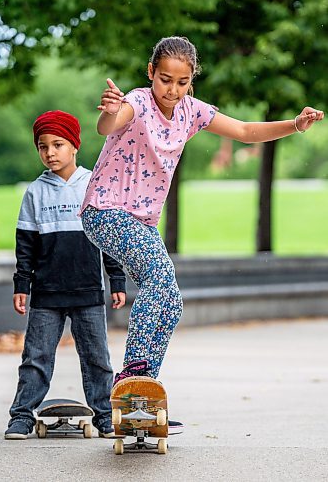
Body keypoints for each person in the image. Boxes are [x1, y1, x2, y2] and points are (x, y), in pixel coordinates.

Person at [80, 36, 324, 431]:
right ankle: (131, 380)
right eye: (164, 80)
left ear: (191, 80)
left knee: (171, 301)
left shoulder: (191, 111)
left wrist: (295, 125)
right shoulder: (138, 101)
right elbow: (108, 125)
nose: (171, 90)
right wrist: (109, 111)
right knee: (159, 277)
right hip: (106, 210)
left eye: (181, 82)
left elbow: (244, 130)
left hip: (140, 222)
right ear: (150, 74)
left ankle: (140, 397)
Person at [5, 110, 126, 440]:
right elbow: (26, 245)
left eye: (58, 144)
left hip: (88, 290)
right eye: (43, 147)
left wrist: (116, 280)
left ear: (75, 145)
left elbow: (109, 240)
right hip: (46, 293)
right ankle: (22, 416)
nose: (50, 153)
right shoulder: (35, 192)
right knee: (36, 358)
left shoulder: (93, 185)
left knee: (97, 359)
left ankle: (104, 415)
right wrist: (22, 285)